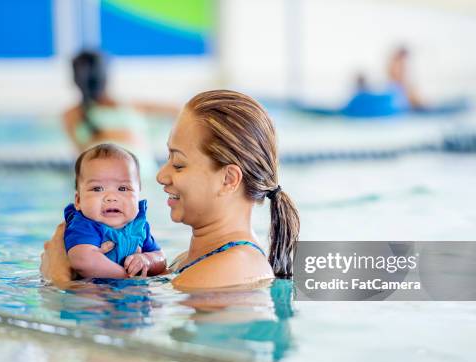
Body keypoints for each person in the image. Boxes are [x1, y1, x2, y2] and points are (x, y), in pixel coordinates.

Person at [41, 90, 300, 290]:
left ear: (228, 179)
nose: (161, 175)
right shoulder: (185, 261)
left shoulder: (234, 267)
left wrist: (59, 281)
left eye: (178, 163)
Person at [63, 50, 178, 175]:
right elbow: (179, 111)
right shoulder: (132, 108)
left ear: (76, 80)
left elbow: (80, 153)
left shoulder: (70, 116)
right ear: (106, 76)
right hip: (141, 177)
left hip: (95, 178)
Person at [64, 143, 166, 279]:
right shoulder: (85, 225)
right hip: (95, 296)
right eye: (97, 189)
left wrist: (146, 259)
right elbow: (83, 261)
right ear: (78, 201)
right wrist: (127, 278)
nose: (111, 197)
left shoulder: (139, 226)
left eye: (123, 189)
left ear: (138, 196)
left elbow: (161, 258)